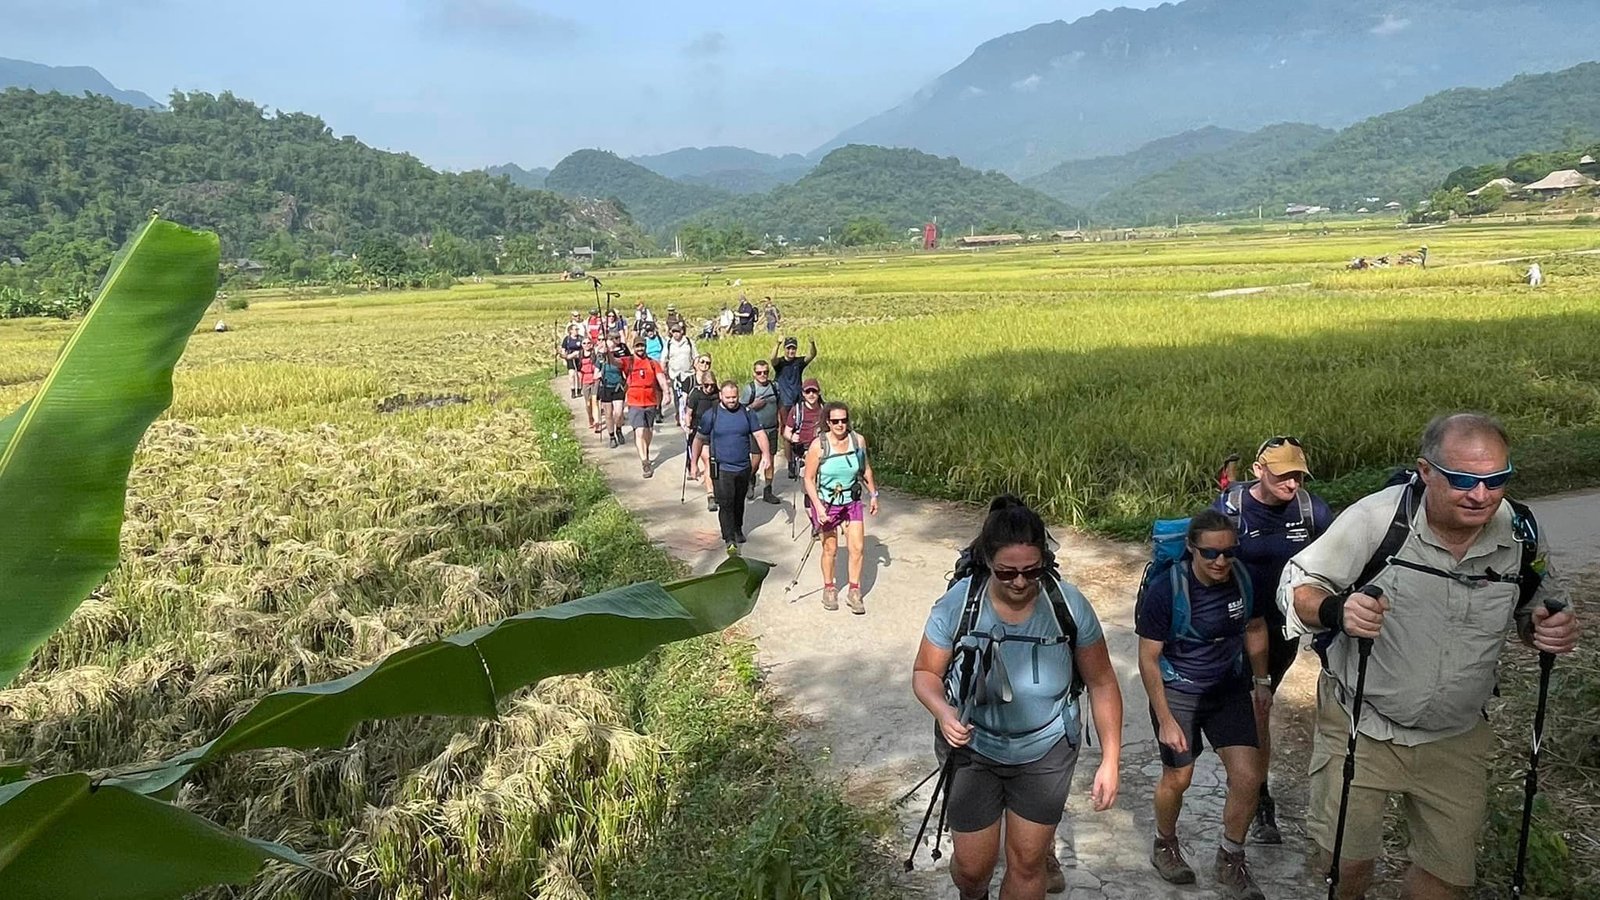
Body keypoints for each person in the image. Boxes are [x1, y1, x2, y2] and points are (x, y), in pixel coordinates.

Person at [1280, 412, 1577, 900]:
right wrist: (1337, 610)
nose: (1480, 495)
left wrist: (1546, 627)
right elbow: (1297, 587)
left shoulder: (1520, 531)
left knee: (1446, 880)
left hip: (1456, 736)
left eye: (1495, 480)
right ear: (1426, 470)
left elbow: (1536, 603)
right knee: (1345, 867)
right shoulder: (1377, 520)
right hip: (1363, 723)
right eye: (1462, 480)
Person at [913, 496, 1123, 900]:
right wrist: (943, 712)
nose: (1021, 582)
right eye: (1006, 573)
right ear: (987, 562)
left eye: (1032, 571)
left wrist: (1111, 760)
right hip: (973, 747)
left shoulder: (1067, 603)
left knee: (1028, 862)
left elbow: (1102, 681)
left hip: (1045, 751)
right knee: (974, 869)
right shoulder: (959, 605)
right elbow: (925, 673)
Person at [1136, 510, 1269, 899]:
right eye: (1210, 553)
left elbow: (1256, 628)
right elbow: (1148, 658)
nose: (1221, 561)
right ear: (1192, 550)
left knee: (1248, 777)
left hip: (1227, 689)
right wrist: (1165, 719)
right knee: (1178, 778)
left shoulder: (1244, 579)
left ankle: (1230, 859)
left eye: (1229, 552)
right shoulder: (1166, 591)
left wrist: (1262, 683)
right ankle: (1165, 844)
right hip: (1178, 691)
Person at [1211, 436, 1333, 844]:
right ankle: (1256, 796)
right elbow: (1201, 558)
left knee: (1258, 705)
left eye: (1299, 474)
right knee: (1249, 705)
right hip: (1231, 627)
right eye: (1283, 474)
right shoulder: (1231, 508)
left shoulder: (1311, 511)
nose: (1293, 483)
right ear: (1259, 471)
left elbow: (1335, 566)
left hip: (1280, 631)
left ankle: (1255, 792)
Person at [802, 401, 879, 613]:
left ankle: (854, 591)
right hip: (827, 503)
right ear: (828, 422)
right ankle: (829, 587)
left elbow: (865, 469)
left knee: (857, 548)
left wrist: (873, 494)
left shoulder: (858, 441)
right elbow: (808, 479)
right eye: (835, 421)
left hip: (851, 502)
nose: (840, 425)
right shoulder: (819, 446)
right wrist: (819, 508)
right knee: (830, 548)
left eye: (844, 420)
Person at [691, 381, 772, 547]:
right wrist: (694, 463)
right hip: (721, 468)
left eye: (734, 397)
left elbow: (759, 434)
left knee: (738, 501)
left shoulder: (747, 413)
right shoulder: (711, 414)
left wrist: (766, 455)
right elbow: (698, 439)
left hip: (743, 467)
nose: (731, 401)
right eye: (728, 397)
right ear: (721, 396)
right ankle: (729, 537)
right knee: (726, 503)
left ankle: (737, 528)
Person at [621, 338, 671, 477]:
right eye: (637, 346)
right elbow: (614, 361)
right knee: (639, 431)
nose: (640, 349)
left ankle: (645, 451)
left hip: (650, 400)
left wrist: (666, 392)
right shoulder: (629, 361)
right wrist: (606, 351)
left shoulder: (652, 363)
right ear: (633, 347)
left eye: (642, 346)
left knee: (648, 431)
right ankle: (645, 462)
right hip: (634, 401)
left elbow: (660, 378)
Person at [741, 360, 782, 505]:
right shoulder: (749, 389)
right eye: (759, 373)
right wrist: (753, 406)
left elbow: (779, 407)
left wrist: (781, 424)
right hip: (756, 431)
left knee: (770, 461)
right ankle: (750, 479)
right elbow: (741, 411)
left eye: (765, 372)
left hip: (772, 429)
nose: (763, 375)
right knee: (756, 461)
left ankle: (768, 490)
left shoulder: (774, 387)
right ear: (754, 373)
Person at [683, 364, 722, 511]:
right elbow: (689, 413)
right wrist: (687, 426)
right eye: (707, 385)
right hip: (700, 432)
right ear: (702, 384)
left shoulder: (717, 394)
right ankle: (711, 495)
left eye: (712, 385)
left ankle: (717, 488)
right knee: (708, 461)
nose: (710, 388)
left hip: (716, 432)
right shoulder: (696, 395)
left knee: (717, 463)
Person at [771, 335, 817, 434]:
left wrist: (812, 343)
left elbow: (812, 355)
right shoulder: (780, 363)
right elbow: (772, 359)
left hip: (797, 399)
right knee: (785, 426)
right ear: (784, 349)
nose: (791, 351)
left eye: (793, 348)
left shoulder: (799, 362)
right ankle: (787, 447)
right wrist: (777, 344)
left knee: (798, 424)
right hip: (784, 401)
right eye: (788, 348)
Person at [782, 378, 824, 480]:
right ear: (803, 394)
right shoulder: (797, 411)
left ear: (819, 393)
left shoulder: (825, 410)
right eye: (807, 391)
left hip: (822, 450)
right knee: (808, 485)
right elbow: (786, 432)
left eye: (814, 391)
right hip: (803, 452)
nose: (811, 394)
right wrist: (792, 438)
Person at [596, 343, 629, 448]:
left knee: (618, 413)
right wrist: (599, 375)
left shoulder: (618, 359)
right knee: (608, 414)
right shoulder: (600, 361)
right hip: (606, 388)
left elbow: (621, 367)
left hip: (618, 387)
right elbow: (595, 374)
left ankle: (618, 429)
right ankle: (612, 436)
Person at [664, 322, 698, 422]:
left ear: (682, 331)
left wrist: (698, 370)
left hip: (688, 374)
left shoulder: (689, 342)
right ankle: (679, 415)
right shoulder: (669, 343)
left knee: (689, 396)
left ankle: (689, 414)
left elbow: (695, 356)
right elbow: (664, 358)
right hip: (674, 374)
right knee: (677, 396)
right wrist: (665, 374)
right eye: (673, 332)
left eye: (677, 331)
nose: (676, 334)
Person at [578, 338, 602, 432]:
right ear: (582, 345)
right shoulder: (579, 354)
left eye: (589, 343)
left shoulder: (595, 353)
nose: (587, 344)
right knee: (588, 403)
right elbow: (568, 357)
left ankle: (597, 422)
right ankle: (590, 418)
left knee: (595, 401)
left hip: (595, 379)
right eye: (584, 343)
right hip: (585, 380)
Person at [559, 324, 584, 399]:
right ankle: (572, 390)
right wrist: (564, 359)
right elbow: (563, 349)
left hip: (579, 358)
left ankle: (579, 390)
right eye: (575, 329)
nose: (577, 331)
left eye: (577, 329)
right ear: (571, 331)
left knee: (579, 374)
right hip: (570, 357)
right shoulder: (567, 339)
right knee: (571, 374)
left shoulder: (581, 338)